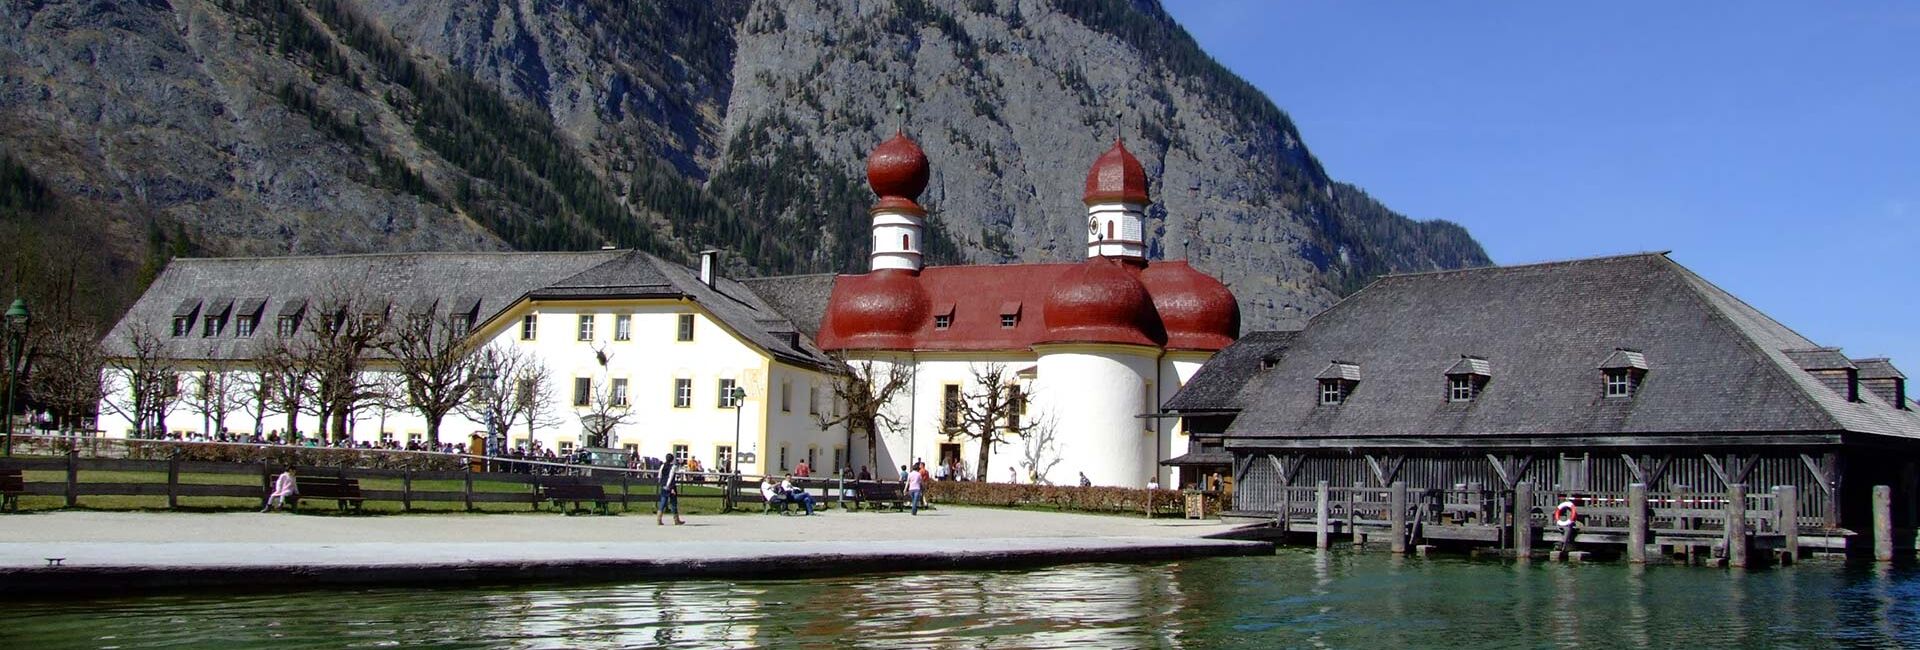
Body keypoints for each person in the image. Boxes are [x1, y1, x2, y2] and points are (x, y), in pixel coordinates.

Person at [656, 455, 685, 525]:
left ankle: (659, 519)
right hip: (670, 485)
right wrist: (671, 487)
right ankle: (676, 520)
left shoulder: (662, 465)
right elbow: (671, 477)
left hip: (663, 485)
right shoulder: (673, 467)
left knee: (663, 502)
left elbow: (659, 476)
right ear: (672, 460)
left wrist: (662, 484)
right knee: (673, 503)